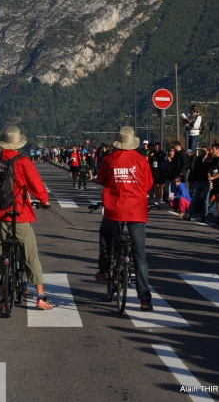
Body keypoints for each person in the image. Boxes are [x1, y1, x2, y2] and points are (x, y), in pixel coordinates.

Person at [0, 126, 53, 311]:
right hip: (21, 214)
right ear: (18, 144)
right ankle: (41, 297)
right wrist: (44, 200)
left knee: (0, 255)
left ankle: (3, 298)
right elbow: (36, 185)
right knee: (30, 254)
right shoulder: (23, 161)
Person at [96, 126, 154, 311]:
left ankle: (105, 268)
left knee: (105, 232)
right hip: (136, 210)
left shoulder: (110, 159)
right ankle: (144, 298)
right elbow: (148, 184)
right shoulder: (141, 160)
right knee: (140, 255)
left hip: (114, 208)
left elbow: (102, 179)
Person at [184, 145, 212, 222]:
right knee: (194, 198)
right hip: (198, 181)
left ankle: (204, 216)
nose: (203, 151)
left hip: (206, 181)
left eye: (205, 150)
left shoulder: (210, 159)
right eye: (202, 150)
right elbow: (194, 171)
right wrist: (192, 181)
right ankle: (189, 214)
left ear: (208, 151)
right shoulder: (198, 159)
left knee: (205, 200)